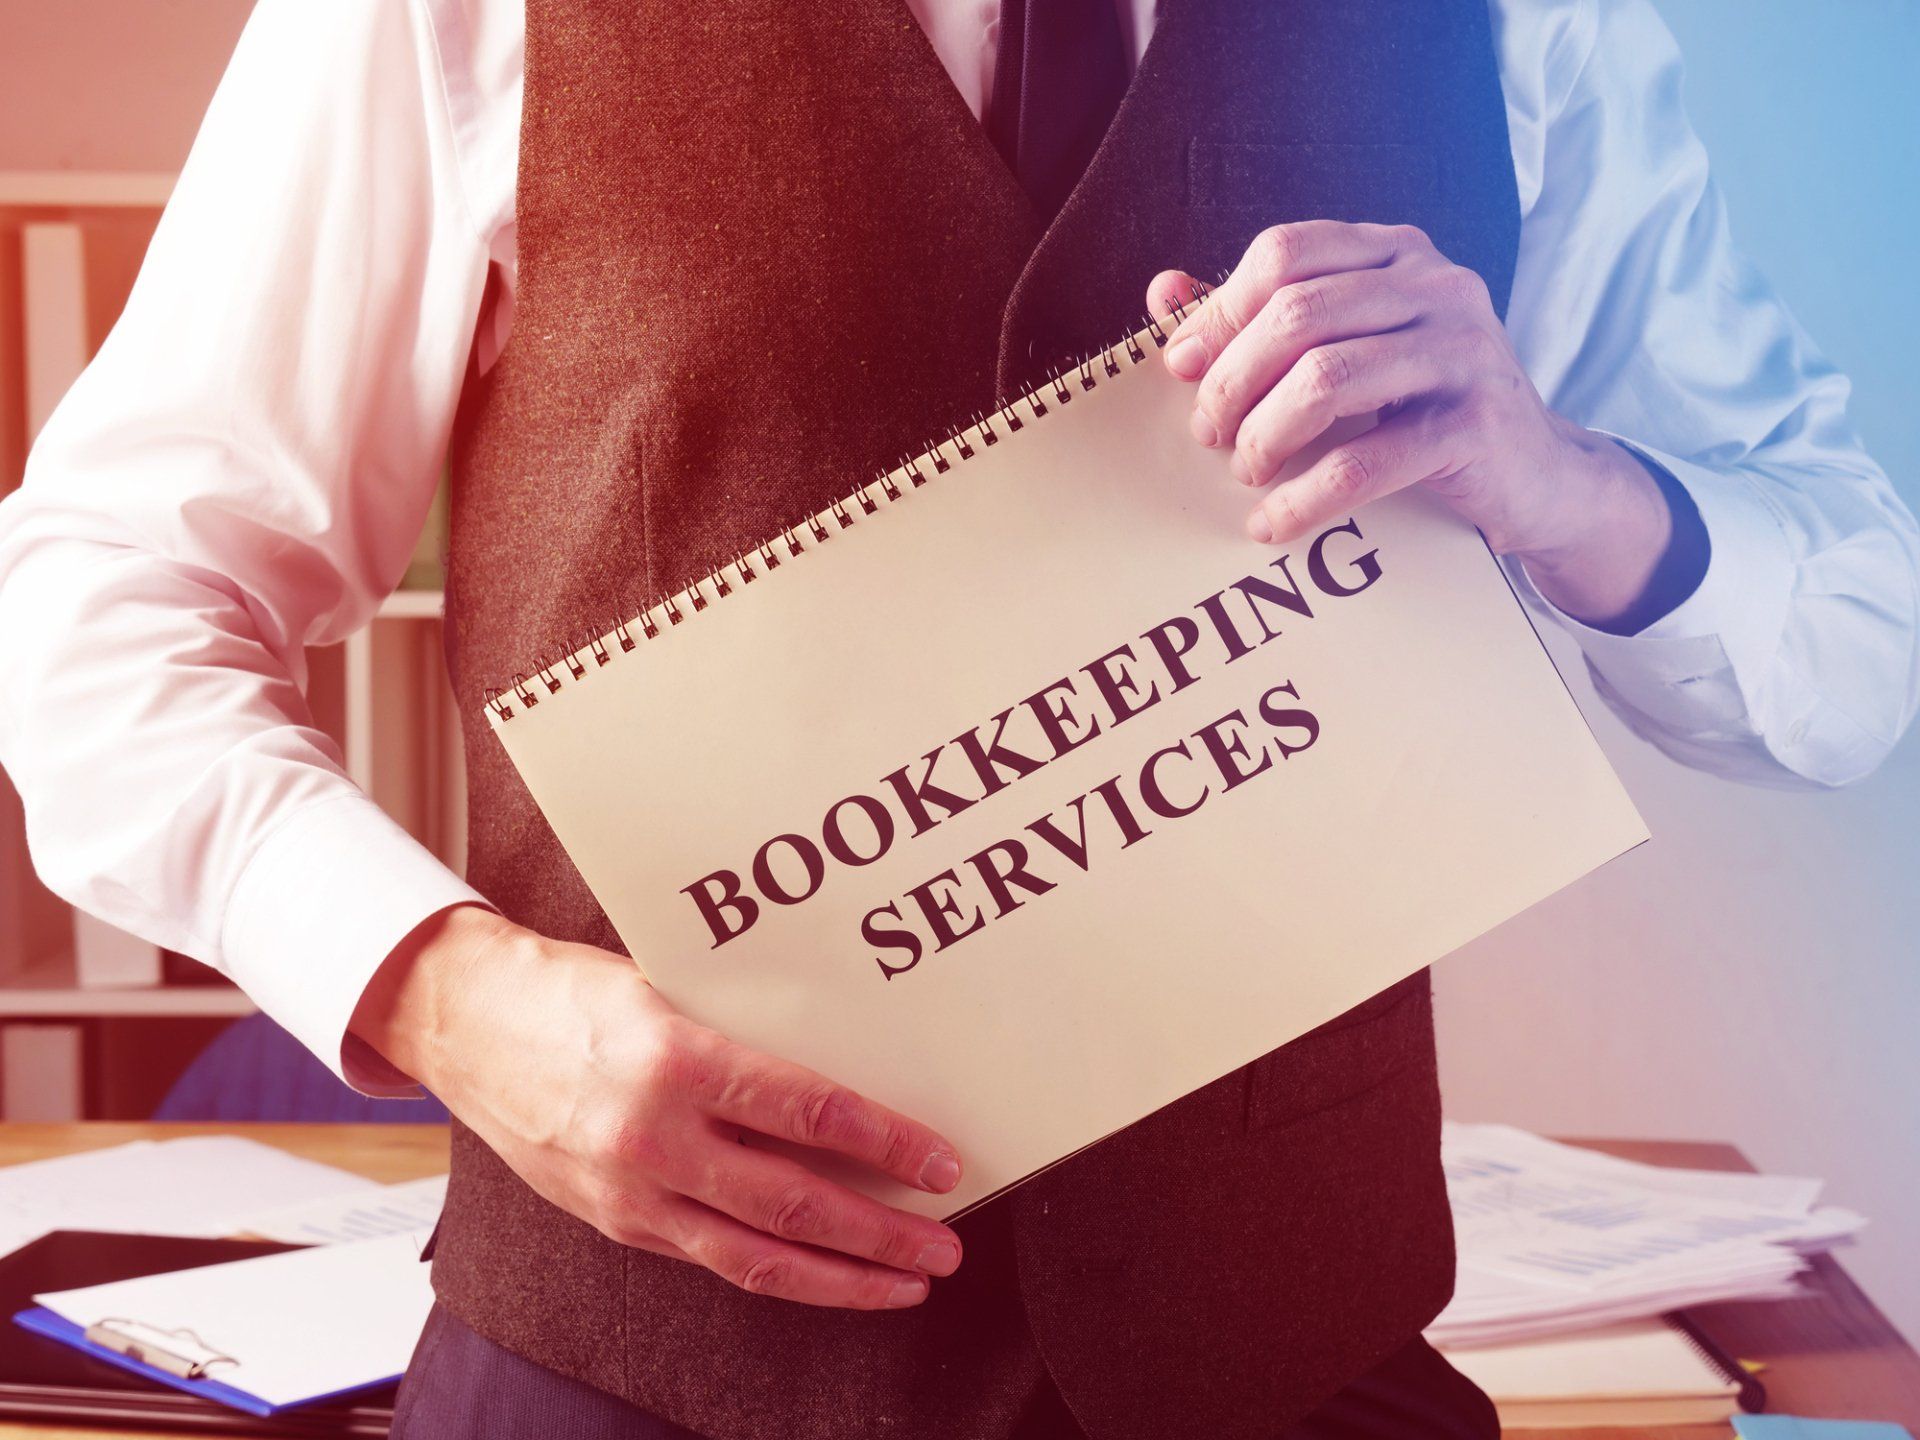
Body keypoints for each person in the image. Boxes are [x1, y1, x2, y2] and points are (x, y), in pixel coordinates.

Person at [1, 0, 1914, 1436]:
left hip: (1303, 1380)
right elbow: (98, 589)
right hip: (629, 1381)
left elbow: (1854, 631)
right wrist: (439, 994)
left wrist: (1567, 480)